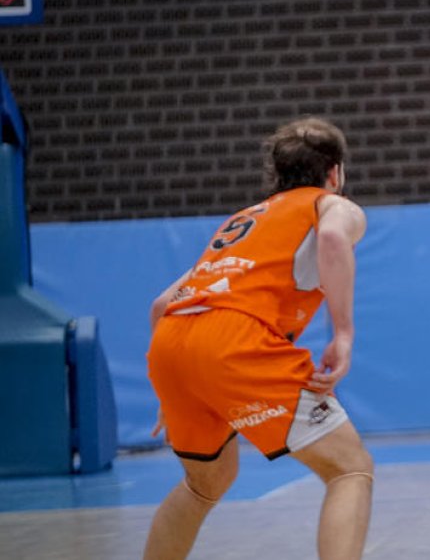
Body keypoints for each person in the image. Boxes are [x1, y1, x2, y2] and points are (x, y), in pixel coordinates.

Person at [142, 117, 373, 560]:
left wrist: (171, 391)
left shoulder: (245, 220)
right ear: (335, 172)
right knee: (349, 469)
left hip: (171, 345)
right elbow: (330, 238)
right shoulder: (332, 206)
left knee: (204, 484)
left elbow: (160, 304)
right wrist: (343, 333)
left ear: (278, 174)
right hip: (235, 337)